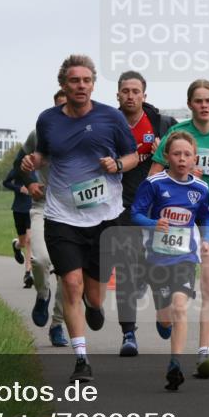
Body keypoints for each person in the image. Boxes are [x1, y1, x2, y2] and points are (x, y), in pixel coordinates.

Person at [21, 55, 138, 382]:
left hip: (104, 217)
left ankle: (95, 305)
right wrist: (33, 161)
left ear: (93, 84)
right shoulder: (48, 120)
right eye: (75, 81)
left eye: (87, 81)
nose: (81, 86)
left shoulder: (111, 117)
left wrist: (118, 165)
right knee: (70, 285)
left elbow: (132, 156)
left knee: (93, 295)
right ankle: (81, 359)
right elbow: (44, 153)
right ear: (63, 84)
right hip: (62, 215)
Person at [149, 79, 209, 378]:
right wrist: (182, 171)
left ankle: (204, 352)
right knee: (170, 288)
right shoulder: (178, 135)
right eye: (199, 100)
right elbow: (153, 174)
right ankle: (164, 313)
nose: (204, 105)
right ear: (190, 104)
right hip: (178, 213)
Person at [131, 131, 209, 390]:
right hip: (156, 258)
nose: (181, 158)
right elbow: (136, 213)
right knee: (166, 317)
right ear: (167, 156)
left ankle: (175, 364)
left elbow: (206, 217)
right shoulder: (154, 183)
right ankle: (161, 321)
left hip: (186, 256)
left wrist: (206, 239)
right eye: (176, 153)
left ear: (194, 158)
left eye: (187, 154)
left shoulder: (200, 189)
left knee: (180, 307)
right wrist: (154, 223)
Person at [113, 70, 176, 356]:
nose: (130, 96)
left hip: (157, 206)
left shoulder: (162, 123)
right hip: (121, 205)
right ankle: (128, 334)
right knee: (126, 268)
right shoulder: (109, 125)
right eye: (125, 91)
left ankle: (163, 309)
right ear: (118, 95)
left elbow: (185, 148)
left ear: (144, 95)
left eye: (135, 91)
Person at [17, 90, 70, 347]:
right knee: (40, 259)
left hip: (74, 211)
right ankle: (42, 293)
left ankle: (57, 325)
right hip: (43, 205)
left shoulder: (89, 134)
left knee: (66, 273)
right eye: (60, 107)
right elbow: (22, 162)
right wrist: (30, 183)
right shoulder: (38, 135)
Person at [3, 164, 35, 288]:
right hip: (19, 209)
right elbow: (6, 182)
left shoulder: (40, 168)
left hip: (33, 209)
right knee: (22, 242)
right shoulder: (19, 168)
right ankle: (16, 245)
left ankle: (28, 273)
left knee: (29, 240)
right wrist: (18, 188)